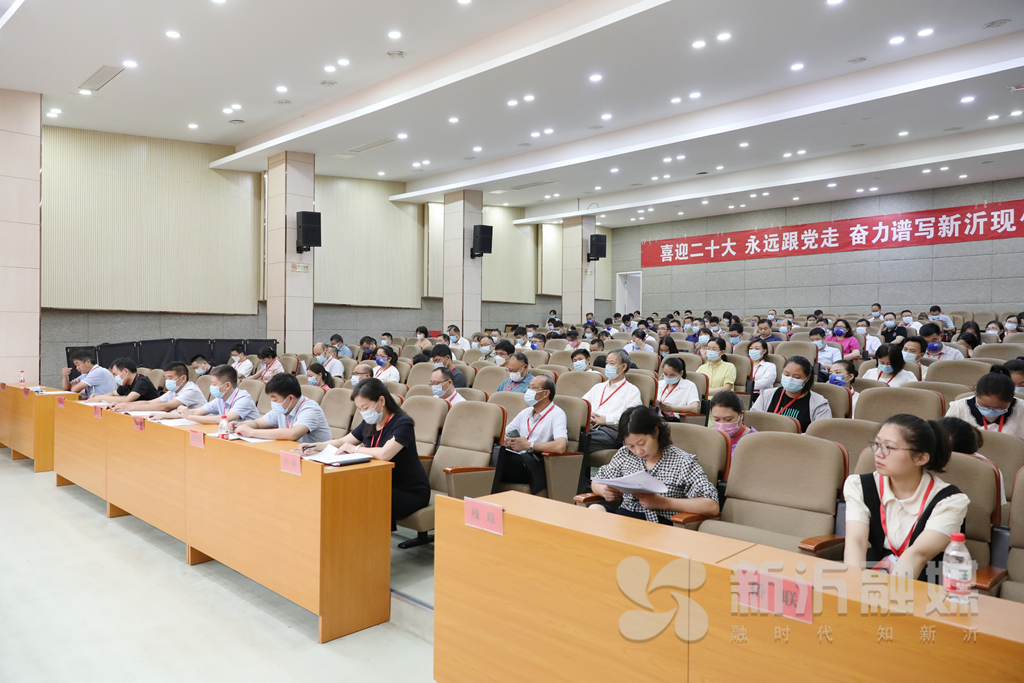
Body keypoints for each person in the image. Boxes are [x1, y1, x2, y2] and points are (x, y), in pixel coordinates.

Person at [843, 415, 969, 582]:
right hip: (874, 576)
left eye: (889, 447)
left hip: (923, 583)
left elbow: (918, 555)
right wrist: (853, 587)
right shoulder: (859, 486)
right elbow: (856, 541)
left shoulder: (950, 501)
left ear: (920, 458)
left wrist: (891, 596)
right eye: (877, 444)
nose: (878, 453)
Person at [302, 379, 430, 523]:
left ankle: (372, 536)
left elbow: (385, 454)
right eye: (359, 409)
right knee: (346, 493)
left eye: (365, 407)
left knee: (364, 499)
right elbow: (342, 442)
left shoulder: (403, 423)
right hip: (378, 483)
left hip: (408, 490)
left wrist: (356, 449)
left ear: (381, 401)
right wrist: (315, 446)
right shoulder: (370, 422)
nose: (363, 412)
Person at [589, 407, 719, 525]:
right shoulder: (625, 454)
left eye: (642, 443)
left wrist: (664, 502)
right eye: (631, 446)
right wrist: (604, 490)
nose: (638, 451)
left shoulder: (683, 461)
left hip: (661, 525)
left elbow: (711, 506)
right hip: (625, 520)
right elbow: (597, 480)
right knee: (594, 510)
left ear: (655, 432)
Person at [499, 375, 568, 494]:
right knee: (495, 452)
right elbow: (504, 432)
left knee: (498, 458)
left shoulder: (557, 414)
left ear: (545, 393)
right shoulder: (526, 412)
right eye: (529, 387)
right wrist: (506, 440)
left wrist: (529, 445)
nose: (528, 391)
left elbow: (560, 446)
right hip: (516, 458)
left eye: (533, 388)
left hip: (533, 464)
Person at [233, 373, 331, 443]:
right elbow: (257, 423)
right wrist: (240, 425)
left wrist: (252, 432)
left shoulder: (310, 409)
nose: (272, 402)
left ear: (290, 398)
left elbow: (293, 434)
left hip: (317, 459)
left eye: (275, 399)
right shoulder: (284, 407)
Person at [582, 350, 643, 450]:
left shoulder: (632, 391)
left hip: (611, 432)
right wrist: (589, 415)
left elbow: (632, 417)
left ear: (623, 367)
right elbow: (582, 405)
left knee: (580, 438)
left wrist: (606, 420)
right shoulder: (598, 387)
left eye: (612, 363)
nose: (607, 366)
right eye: (607, 363)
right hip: (590, 427)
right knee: (573, 433)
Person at [750, 356, 830, 432]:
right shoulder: (766, 395)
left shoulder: (819, 403)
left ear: (807, 378)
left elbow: (820, 433)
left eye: (796, 377)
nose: (790, 379)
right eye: (786, 375)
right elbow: (753, 422)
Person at [945, 366, 1024, 437]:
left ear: (1012, 397)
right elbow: (945, 438)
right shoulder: (959, 407)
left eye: (999, 408)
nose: (991, 410)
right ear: (976, 394)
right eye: (984, 406)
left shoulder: (1021, 408)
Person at [178, 365, 260, 423]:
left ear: (227, 385)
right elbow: (195, 412)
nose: (211, 386)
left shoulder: (243, 399)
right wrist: (181, 412)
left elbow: (224, 419)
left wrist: (190, 417)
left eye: (214, 384)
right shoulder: (221, 398)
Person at [114, 362, 206, 414]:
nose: (167, 381)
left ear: (183, 378)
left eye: (170, 378)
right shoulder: (173, 391)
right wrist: (123, 405)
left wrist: (131, 407)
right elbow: (149, 402)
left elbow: (165, 407)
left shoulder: (191, 390)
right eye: (166, 378)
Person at [88, 358, 160, 404]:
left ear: (125, 371)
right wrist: (98, 396)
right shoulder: (126, 383)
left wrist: (101, 398)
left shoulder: (142, 382)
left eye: (116, 374)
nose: (115, 377)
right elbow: (113, 393)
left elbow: (127, 400)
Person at [709, 391, 757, 455]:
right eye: (717, 419)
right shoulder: (711, 435)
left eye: (728, 419)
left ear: (741, 415)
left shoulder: (755, 440)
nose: (722, 424)